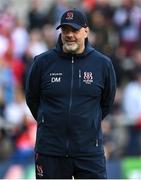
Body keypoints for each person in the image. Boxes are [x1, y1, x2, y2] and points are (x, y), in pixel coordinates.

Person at [25, 9, 116, 179]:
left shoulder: (102, 64)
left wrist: (86, 125)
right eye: (65, 30)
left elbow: (106, 103)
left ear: (86, 31)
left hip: (89, 151)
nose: (69, 35)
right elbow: (32, 99)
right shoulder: (42, 62)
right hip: (50, 151)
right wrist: (50, 122)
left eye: (75, 30)